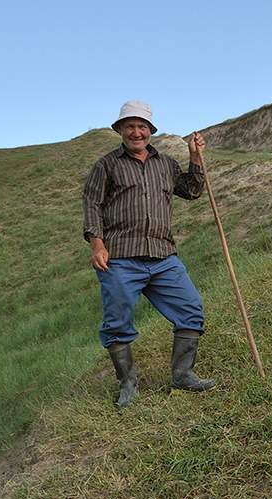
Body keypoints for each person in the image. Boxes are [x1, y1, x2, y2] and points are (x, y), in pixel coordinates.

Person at [82, 100, 216, 408]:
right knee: (117, 322)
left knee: (191, 309)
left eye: (142, 126)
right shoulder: (106, 165)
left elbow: (192, 190)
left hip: (162, 255)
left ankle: (182, 375)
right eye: (130, 126)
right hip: (120, 258)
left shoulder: (166, 164)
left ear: (151, 131)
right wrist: (97, 244)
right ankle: (128, 382)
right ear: (120, 130)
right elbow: (92, 204)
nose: (136, 132)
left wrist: (195, 156)